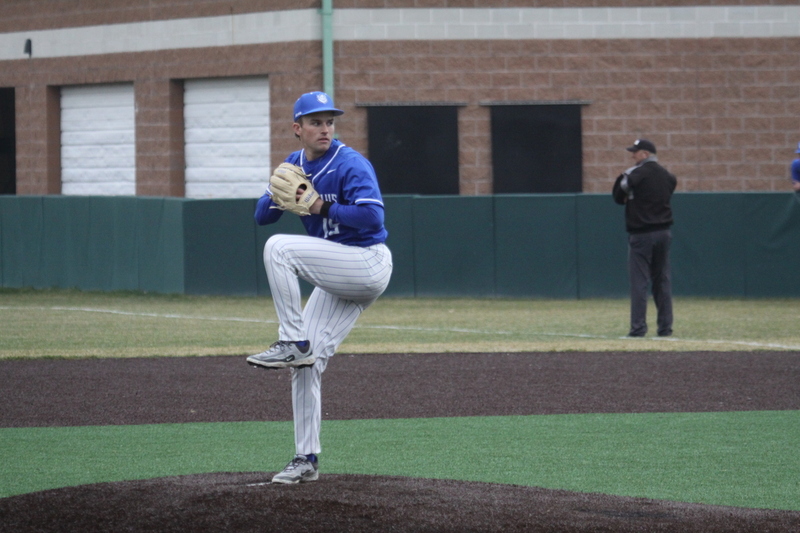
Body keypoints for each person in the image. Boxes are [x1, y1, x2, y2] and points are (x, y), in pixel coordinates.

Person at [247, 91, 393, 484]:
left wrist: (319, 207)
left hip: (366, 261)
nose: (325, 128)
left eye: (329, 121)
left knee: (279, 248)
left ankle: (291, 340)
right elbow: (261, 216)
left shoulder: (350, 163)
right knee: (306, 364)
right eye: (315, 122)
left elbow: (372, 217)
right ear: (298, 129)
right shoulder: (293, 165)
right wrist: (280, 196)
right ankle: (305, 459)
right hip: (335, 272)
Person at [612, 138, 677, 338]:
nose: (633, 155)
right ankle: (665, 328)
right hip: (664, 233)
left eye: (635, 152)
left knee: (639, 282)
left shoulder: (635, 174)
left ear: (645, 154)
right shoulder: (668, 176)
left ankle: (638, 329)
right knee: (662, 281)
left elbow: (618, 195)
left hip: (641, 234)